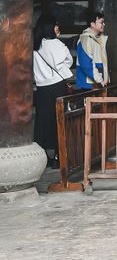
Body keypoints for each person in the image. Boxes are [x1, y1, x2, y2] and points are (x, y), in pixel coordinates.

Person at [33, 14, 74, 168]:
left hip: (42, 89)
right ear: (50, 27)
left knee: (43, 122)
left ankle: (42, 157)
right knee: (59, 120)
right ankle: (59, 157)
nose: (58, 28)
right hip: (57, 87)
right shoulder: (56, 44)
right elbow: (68, 60)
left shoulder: (35, 45)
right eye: (55, 25)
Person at [76, 9, 109, 89]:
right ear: (92, 24)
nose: (104, 24)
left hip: (97, 83)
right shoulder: (86, 39)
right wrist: (100, 80)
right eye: (101, 22)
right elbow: (86, 64)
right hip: (88, 85)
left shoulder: (98, 38)